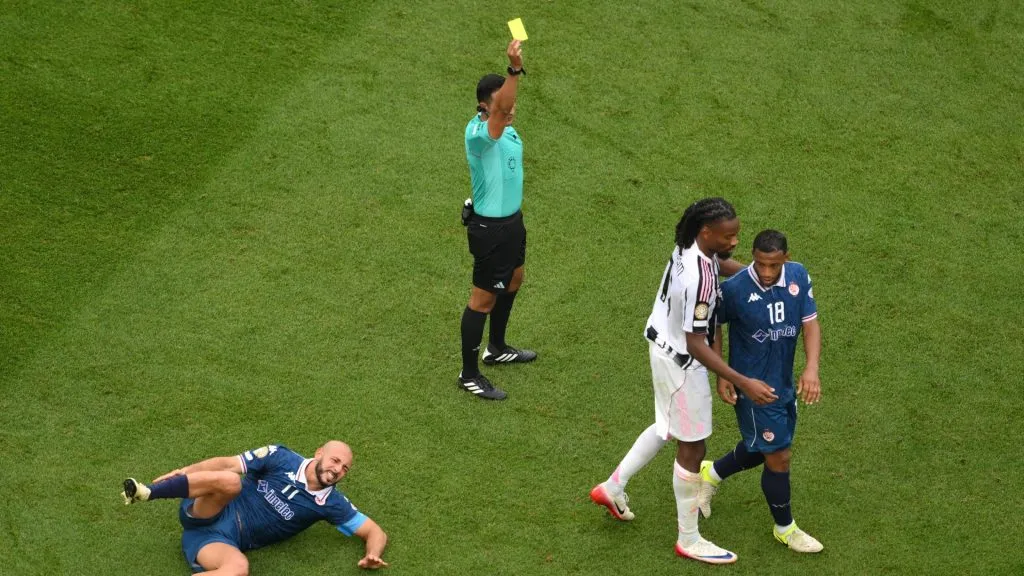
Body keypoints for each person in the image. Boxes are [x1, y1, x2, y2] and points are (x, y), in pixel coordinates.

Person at [589, 198, 777, 565]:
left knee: (666, 426)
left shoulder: (689, 246)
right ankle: (688, 539)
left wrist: (755, 274)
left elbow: (717, 262)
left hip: (661, 345)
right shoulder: (700, 281)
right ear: (706, 232)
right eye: (729, 236)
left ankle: (612, 487)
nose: (735, 241)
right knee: (693, 448)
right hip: (682, 363)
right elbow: (697, 341)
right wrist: (739, 379)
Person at [696, 229, 824, 553]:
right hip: (752, 388)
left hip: (782, 383)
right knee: (779, 456)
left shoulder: (798, 276)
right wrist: (723, 374)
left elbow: (810, 323)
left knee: (764, 445)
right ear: (752, 256)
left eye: (773, 266)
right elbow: (713, 324)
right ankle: (785, 528)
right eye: (760, 264)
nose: (766, 273)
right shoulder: (735, 289)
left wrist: (811, 368)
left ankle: (712, 473)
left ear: (786, 259)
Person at [121, 441, 388, 574]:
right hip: (210, 508)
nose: (338, 469)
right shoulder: (279, 457)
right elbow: (226, 464)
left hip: (215, 541)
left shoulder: (331, 503)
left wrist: (373, 554)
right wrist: (184, 472)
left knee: (239, 567)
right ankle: (147, 493)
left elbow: (375, 532)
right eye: (335, 460)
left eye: (345, 468)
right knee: (230, 481)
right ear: (319, 453)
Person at [457, 39, 536, 401]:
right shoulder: (478, 134)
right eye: (502, 107)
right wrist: (514, 70)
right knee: (482, 299)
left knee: (515, 278)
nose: (510, 110)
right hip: (490, 231)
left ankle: (497, 347)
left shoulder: (509, 129)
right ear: (482, 108)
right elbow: (501, 110)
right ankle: (469, 374)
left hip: (512, 224)